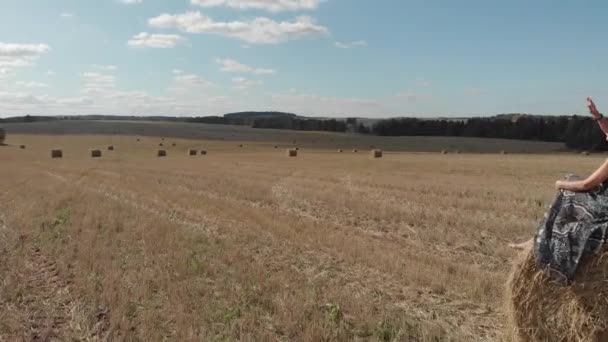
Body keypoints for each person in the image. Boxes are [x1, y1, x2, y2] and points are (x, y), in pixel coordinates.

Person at [510, 98, 608, 283]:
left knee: (568, 192)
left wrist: (559, 183)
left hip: (604, 208)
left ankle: (539, 242)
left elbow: (587, 185)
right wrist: (598, 116)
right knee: (570, 182)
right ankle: (539, 239)